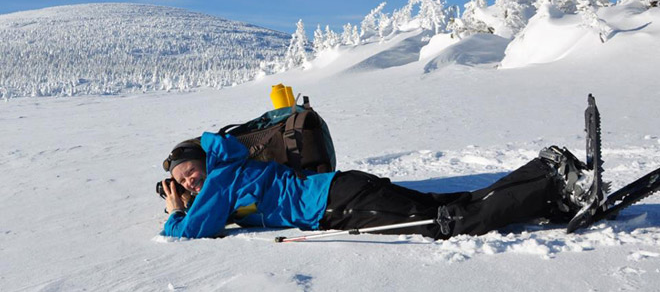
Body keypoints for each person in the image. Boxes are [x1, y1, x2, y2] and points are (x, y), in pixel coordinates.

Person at [159, 132, 595, 240]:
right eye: (182, 181)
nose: (188, 180)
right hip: (344, 189)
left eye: (188, 171)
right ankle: (547, 182)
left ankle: (546, 181)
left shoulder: (219, 178)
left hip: (338, 203)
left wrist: (177, 210)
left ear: (204, 159)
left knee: (445, 224)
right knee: (451, 203)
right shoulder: (229, 169)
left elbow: (194, 231)